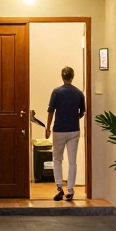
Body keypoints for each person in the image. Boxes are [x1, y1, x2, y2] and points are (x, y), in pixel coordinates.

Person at [44, 66, 86, 201]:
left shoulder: (56, 92)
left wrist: (47, 128)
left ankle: (59, 187)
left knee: (57, 159)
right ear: (72, 77)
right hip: (74, 130)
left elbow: (51, 111)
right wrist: (75, 118)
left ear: (62, 77)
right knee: (72, 161)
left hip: (59, 130)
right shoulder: (79, 93)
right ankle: (71, 189)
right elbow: (82, 111)